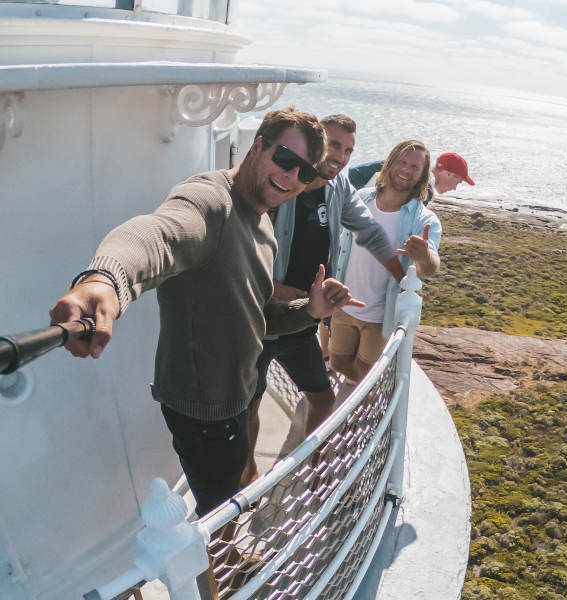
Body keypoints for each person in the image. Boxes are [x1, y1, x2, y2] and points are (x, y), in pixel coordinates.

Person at [48, 108, 362, 518]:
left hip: (237, 392)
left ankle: (228, 544)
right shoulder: (211, 202)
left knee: (232, 485)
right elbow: (157, 234)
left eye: (304, 174)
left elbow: (260, 314)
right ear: (258, 146)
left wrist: (312, 309)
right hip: (204, 411)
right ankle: (227, 567)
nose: (291, 178)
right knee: (219, 511)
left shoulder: (262, 222)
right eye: (285, 159)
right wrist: (105, 279)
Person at [243, 114, 405, 485]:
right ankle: (247, 476)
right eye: (334, 146)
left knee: (321, 398)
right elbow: (243, 240)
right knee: (250, 403)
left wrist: (404, 277)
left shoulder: (339, 188)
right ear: (314, 145)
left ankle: (311, 469)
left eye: (348, 150)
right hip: (263, 317)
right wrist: (270, 284)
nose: (341, 157)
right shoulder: (280, 185)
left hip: (304, 316)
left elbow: (370, 232)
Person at [329, 140, 442, 383]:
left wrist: (423, 255)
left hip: (381, 314)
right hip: (344, 303)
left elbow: (430, 269)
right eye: (402, 161)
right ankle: (358, 397)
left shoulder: (424, 219)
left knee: (366, 374)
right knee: (338, 361)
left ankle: (360, 411)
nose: (406, 169)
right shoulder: (360, 198)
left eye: (415, 166)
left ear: (422, 175)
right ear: (390, 163)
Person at [347, 151, 475, 204]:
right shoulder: (426, 191)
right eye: (458, 182)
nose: (454, 188)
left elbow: (355, 172)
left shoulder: (401, 164)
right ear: (448, 173)